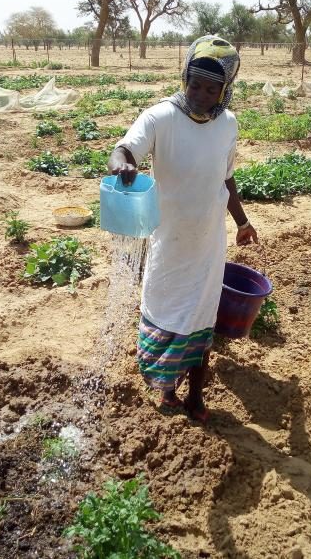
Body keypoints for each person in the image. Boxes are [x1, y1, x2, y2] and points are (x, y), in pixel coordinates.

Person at [107, 35, 258, 423]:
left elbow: (226, 180)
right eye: (195, 84)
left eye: (212, 88)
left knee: (201, 322)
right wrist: (123, 165)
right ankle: (167, 390)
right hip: (168, 246)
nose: (201, 94)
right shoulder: (161, 117)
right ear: (184, 77)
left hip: (208, 247)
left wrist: (242, 221)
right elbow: (125, 149)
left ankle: (195, 397)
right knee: (166, 314)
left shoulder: (228, 124)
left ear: (225, 90)